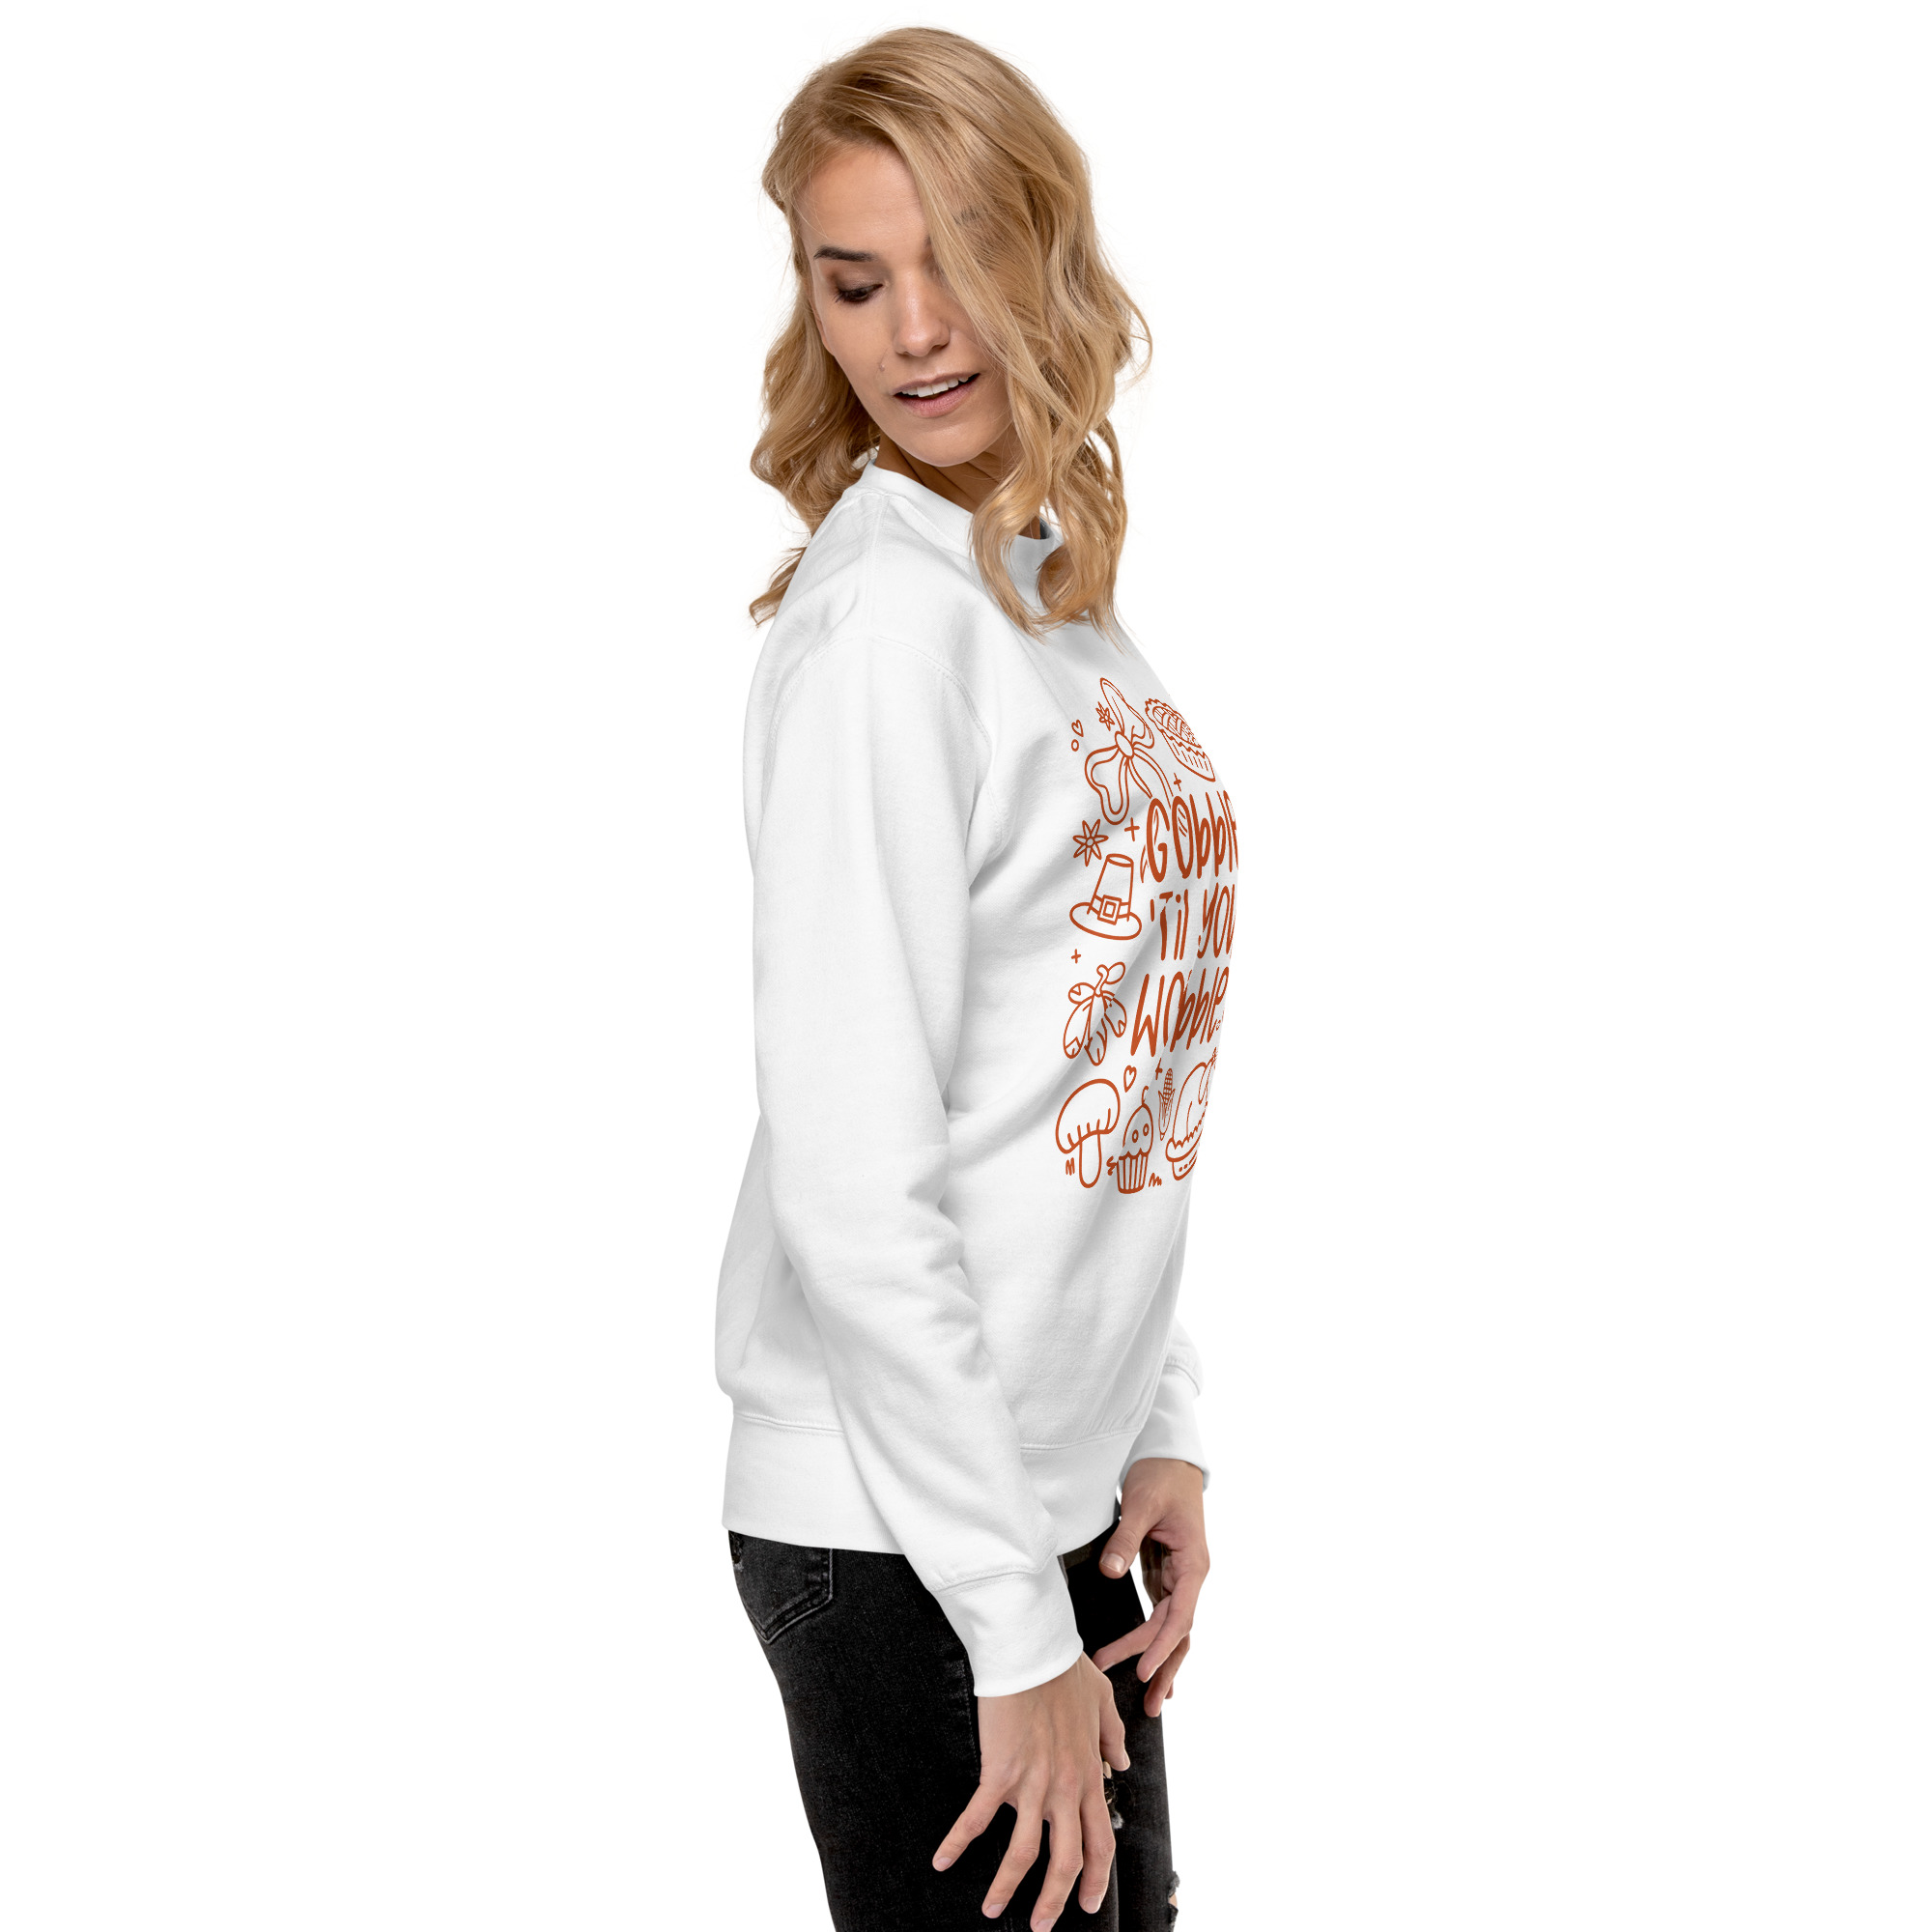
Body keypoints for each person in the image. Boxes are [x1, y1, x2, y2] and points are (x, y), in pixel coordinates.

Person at [714, 28, 1239, 1931]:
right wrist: (1013, 1628)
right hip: (911, 1541)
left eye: (958, 260)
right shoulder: (885, 628)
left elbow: (1084, 1063)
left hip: (1032, 1504)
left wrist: (1154, 1419)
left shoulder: (1037, 586)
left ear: (1046, 253)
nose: (917, 331)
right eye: (855, 281)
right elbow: (857, 1184)